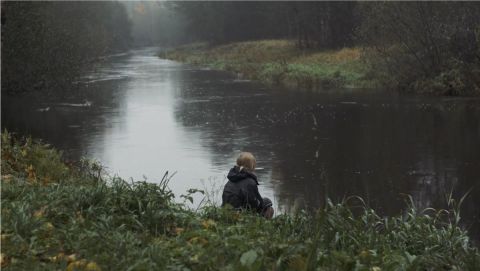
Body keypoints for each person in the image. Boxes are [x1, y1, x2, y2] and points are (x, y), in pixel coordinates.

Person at [221, 152, 274, 219]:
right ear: (252, 166)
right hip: (239, 215)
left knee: (265, 201)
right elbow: (253, 205)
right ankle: (264, 225)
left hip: (226, 212)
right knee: (268, 204)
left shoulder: (232, 178)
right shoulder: (250, 182)